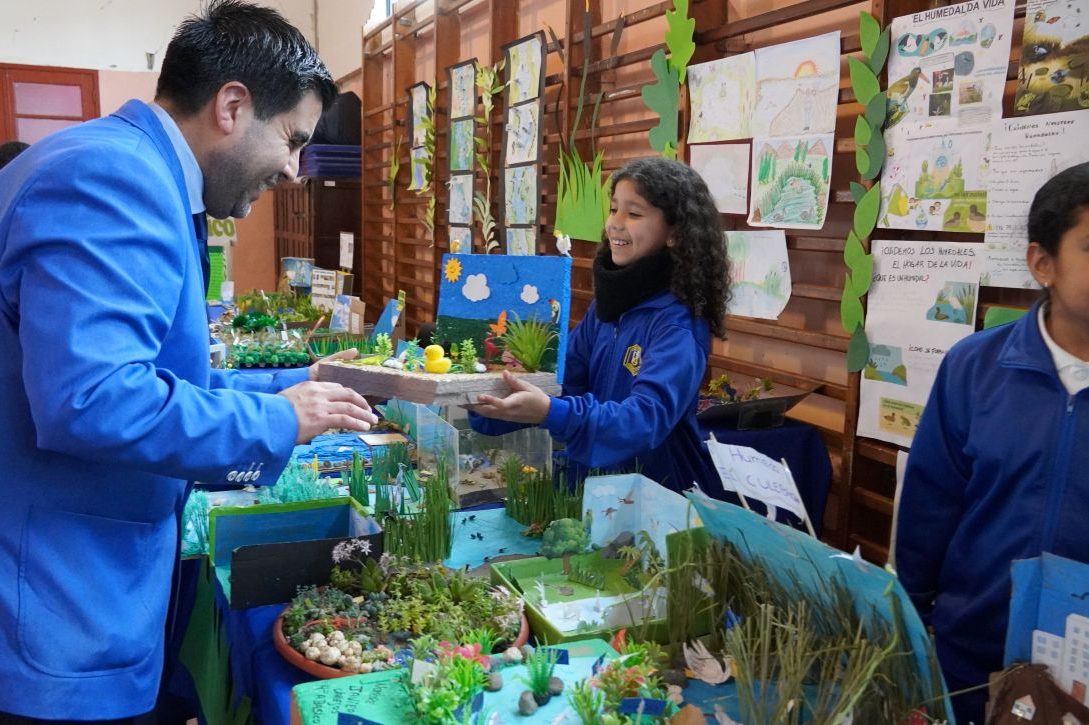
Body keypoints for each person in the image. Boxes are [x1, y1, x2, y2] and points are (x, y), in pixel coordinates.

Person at [0, 2, 378, 720]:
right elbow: (96, 398)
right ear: (233, 105)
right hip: (54, 602)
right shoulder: (114, 179)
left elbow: (158, 373)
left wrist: (299, 382)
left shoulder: (132, 170)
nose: (296, 170)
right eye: (292, 140)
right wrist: (275, 418)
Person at [896, 161, 1089, 724]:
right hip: (968, 660)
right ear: (1042, 263)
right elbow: (930, 509)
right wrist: (910, 623)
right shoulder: (974, 369)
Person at [469, 157, 730, 494]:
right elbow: (561, 383)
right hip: (595, 491)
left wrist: (552, 413)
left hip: (657, 499)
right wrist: (486, 401)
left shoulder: (677, 324)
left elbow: (643, 420)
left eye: (634, 214)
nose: (615, 224)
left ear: (675, 234)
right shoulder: (606, 308)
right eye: (613, 209)